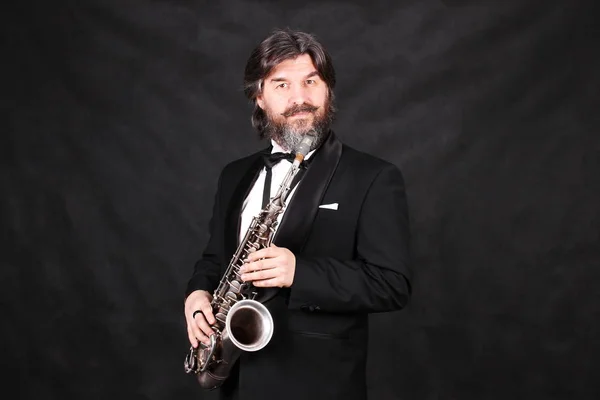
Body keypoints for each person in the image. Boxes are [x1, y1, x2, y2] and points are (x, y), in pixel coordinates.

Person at [183, 28, 412, 400]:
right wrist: (197, 295)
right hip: (239, 384)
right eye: (281, 85)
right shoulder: (234, 175)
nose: (300, 99)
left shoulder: (374, 177)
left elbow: (392, 284)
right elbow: (215, 258)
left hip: (319, 386)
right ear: (259, 97)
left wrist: (299, 272)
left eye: (311, 81)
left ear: (328, 90)